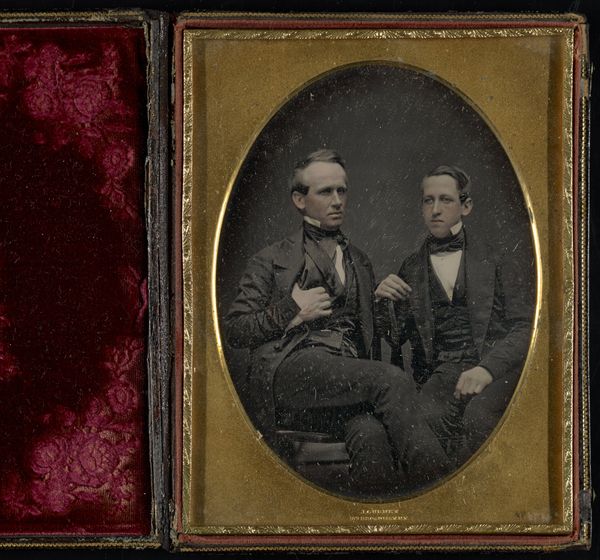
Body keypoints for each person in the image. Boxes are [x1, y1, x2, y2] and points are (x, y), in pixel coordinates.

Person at [225, 149, 450, 497]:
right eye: (325, 192)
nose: (337, 201)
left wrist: (384, 303)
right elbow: (236, 329)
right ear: (299, 200)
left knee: (370, 433)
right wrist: (292, 309)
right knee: (389, 379)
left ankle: (377, 521)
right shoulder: (271, 258)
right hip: (293, 371)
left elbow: (380, 335)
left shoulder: (359, 261)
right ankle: (445, 495)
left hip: (342, 380)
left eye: (341, 191)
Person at [376, 165, 533, 461]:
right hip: (443, 372)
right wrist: (384, 302)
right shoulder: (411, 267)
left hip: (495, 368)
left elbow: (526, 327)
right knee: (419, 426)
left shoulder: (496, 257)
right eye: (428, 200)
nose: (435, 210)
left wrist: (487, 370)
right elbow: (396, 337)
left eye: (445, 200)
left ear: (466, 206)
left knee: (479, 420)